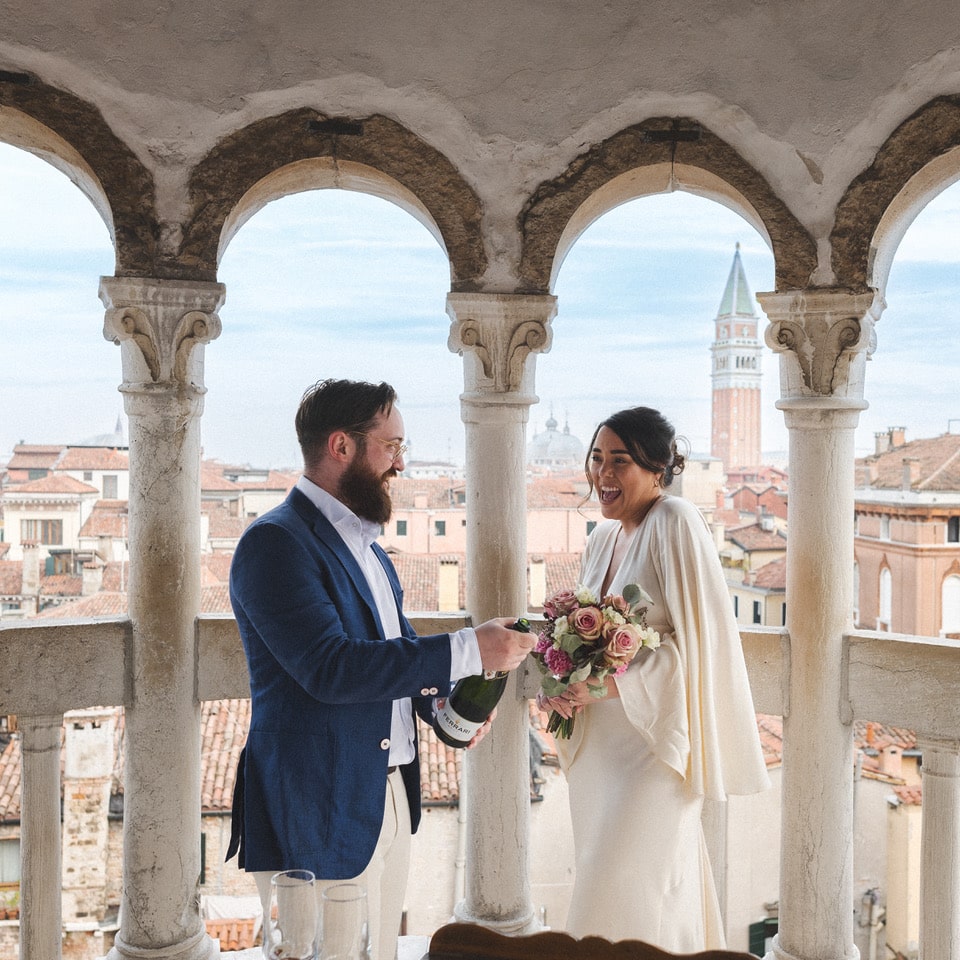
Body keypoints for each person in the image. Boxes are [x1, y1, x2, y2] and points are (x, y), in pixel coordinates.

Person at [226, 378, 535, 960]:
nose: (401, 462)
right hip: (315, 800)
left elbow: (393, 650)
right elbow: (331, 667)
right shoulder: (274, 544)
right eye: (391, 446)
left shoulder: (366, 547)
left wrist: (443, 713)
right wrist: (472, 648)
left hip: (387, 792)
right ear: (341, 446)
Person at [538, 406, 770, 950]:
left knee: (634, 884)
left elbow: (703, 646)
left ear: (658, 469)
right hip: (602, 747)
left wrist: (610, 684)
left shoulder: (676, 521)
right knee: (617, 878)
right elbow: (584, 641)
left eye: (620, 460)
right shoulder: (601, 537)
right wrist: (567, 681)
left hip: (654, 745)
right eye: (597, 459)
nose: (604, 474)